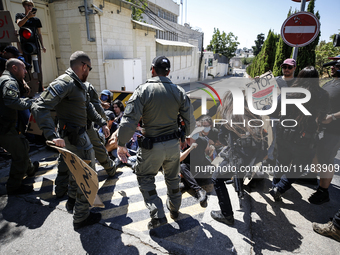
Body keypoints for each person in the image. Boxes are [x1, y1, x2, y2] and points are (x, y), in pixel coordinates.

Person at [31, 51, 110, 230]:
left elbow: (87, 106)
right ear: (84, 66)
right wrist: (52, 135)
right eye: (88, 68)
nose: (88, 71)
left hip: (78, 137)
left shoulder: (77, 84)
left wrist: (102, 122)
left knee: (76, 174)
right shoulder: (65, 82)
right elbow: (39, 106)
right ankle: (81, 217)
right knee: (88, 177)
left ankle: (72, 203)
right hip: (75, 139)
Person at [117, 56, 196, 229]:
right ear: (168, 72)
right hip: (174, 146)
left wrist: (121, 144)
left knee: (145, 177)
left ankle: (158, 215)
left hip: (151, 147)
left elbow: (129, 120)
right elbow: (190, 118)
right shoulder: (179, 91)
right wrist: (188, 136)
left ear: (152, 69)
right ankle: (174, 209)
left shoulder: (143, 90)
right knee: (173, 177)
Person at [269, 66, 329, 202]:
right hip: (305, 138)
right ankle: (279, 188)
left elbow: (273, 111)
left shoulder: (288, 92)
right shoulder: (322, 95)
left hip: (284, 134)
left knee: (281, 161)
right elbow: (323, 117)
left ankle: (275, 186)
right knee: (300, 165)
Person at [211, 91, 267, 225]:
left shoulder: (229, 117)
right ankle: (239, 184)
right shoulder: (253, 114)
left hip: (239, 156)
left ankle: (227, 215)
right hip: (254, 156)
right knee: (237, 168)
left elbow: (221, 139)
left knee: (216, 178)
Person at [0, 58, 38, 195]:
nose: (25, 72)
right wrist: (31, 103)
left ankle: (30, 169)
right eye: (23, 69)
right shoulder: (9, 82)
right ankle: (14, 186)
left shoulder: (6, 79)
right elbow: (12, 102)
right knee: (20, 154)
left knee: (22, 145)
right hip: (3, 128)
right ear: (14, 68)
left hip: (7, 125)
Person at [308, 57, 340, 204]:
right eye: (332, 66)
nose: (332, 68)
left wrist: (332, 117)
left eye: (336, 66)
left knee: (326, 159)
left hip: (334, 130)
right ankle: (312, 177)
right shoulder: (331, 82)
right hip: (320, 126)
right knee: (316, 154)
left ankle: (323, 192)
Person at [264, 58, 297, 167]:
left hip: (288, 119)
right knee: (271, 141)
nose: (286, 69)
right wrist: (258, 82)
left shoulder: (298, 84)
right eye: (284, 67)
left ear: (294, 68)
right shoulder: (274, 81)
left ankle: (282, 163)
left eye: (289, 67)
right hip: (273, 116)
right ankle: (269, 161)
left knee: (284, 142)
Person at [84, 82, 116, 177]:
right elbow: (94, 106)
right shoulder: (86, 86)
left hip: (69, 128)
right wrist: (103, 122)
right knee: (97, 149)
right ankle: (110, 169)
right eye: (102, 97)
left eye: (105, 97)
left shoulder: (65, 85)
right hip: (85, 127)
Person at [16, 0, 46, 92]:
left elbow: (39, 34)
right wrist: (27, 17)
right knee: (26, 66)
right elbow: (19, 23)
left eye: (31, 6)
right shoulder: (20, 16)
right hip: (25, 45)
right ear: (24, 6)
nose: (30, 8)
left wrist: (42, 45)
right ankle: (29, 86)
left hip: (35, 45)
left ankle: (40, 86)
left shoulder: (36, 20)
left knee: (38, 67)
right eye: (28, 5)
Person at [180, 127, 208, 206]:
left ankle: (186, 184)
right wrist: (190, 148)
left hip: (200, 170)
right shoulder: (182, 143)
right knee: (182, 167)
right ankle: (199, 190)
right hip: (189, 171)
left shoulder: (202, 141)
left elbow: (208, 153)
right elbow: (179, 158)